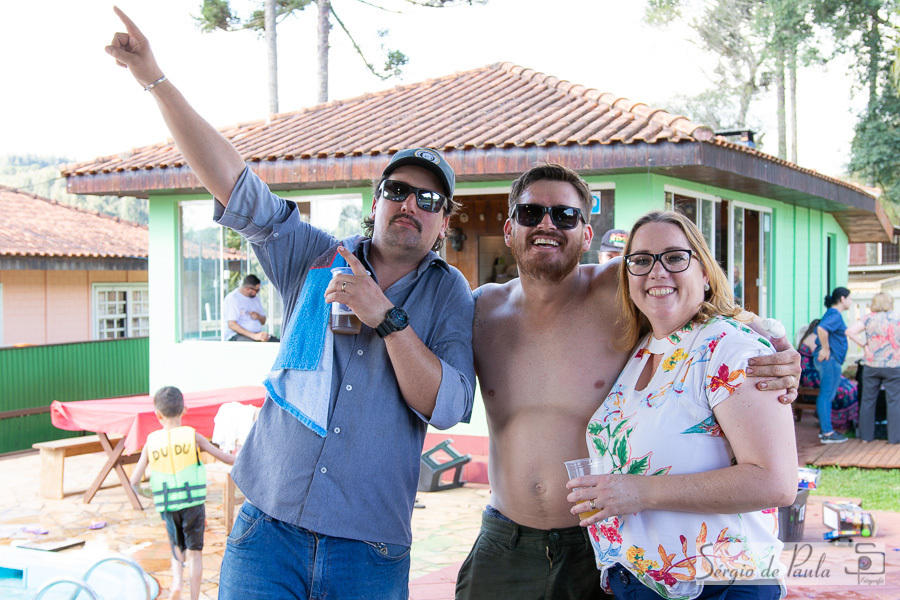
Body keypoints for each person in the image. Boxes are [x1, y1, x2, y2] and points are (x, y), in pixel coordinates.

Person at [107, 9, 475, 599]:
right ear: (374, 203)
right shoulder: (314, 256)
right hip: (267, 532)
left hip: (368, 548)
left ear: (444, 220)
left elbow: (449, 405)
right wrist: (154, 77)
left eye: (428, 197)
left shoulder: (449, 292)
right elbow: (235, 184)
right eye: (396, 190)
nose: (410, 203)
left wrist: (384, 315)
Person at [457, 164, 801, 600]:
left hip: (600, 544)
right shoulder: (482, 309)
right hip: (507, 542)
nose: (547, 224)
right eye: (531, 213)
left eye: (564, 215)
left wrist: (778, 349)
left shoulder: (618, 291)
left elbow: (701, 302)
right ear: (509, 229)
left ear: (586, 234)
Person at [567, 210, 796, 598]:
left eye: (674, 257)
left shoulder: (733, 349)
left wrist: (639, 491)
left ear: (705, 273)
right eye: (641, 261)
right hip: (640, 578)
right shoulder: (643, 346)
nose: (657, 272)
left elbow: (776, 483)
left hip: (719, 584)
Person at [129, 386, 236, 600]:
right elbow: (225, 458)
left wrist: (148, 494)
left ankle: (177, 582)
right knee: (195, 553)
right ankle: (194, 597)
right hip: (192, 503)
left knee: (176, 546)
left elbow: (133, 481)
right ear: (184, 410)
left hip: (168, 504)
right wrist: (245, 458)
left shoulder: (151, 442)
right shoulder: (193, 436)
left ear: (158, 414)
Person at [846, 292, 900, 443]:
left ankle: (866, 437)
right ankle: (894, 439)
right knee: (894, 401)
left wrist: (864, 346)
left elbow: (849, 331)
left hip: (871, 364)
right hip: (893, 365)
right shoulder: (897, 319)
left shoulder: (868, 318)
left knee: (868, 401)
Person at [798, 319, 859, 433]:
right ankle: (836, 420)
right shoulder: (813, 339)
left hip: (819, 373)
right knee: (844, 389)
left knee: (851, 386)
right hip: (812, 377)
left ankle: (848, 421)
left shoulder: (814, 338)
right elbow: (822, 358)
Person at [814, 287, 854, 444]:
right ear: (843, 299)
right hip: (828, 361)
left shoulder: (831, 313)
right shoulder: (835, 314)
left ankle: (826, 430)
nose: (851, 302)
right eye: (850, 298)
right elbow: (821, 329)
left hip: (829, 361)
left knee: (826, 394)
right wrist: (826, 348)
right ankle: (827, 433)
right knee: (827, 395)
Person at [223, 274, 279, 342]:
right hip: (238, 335)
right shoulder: (233, 298)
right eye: (257, 290)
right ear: (248, 289)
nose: (258, 292)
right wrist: (253, 336)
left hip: (256, 334)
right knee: (254, 347)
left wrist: (258, 317)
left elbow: (263, 321)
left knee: (278, 343)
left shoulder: (255, 299)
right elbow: (232, 325)